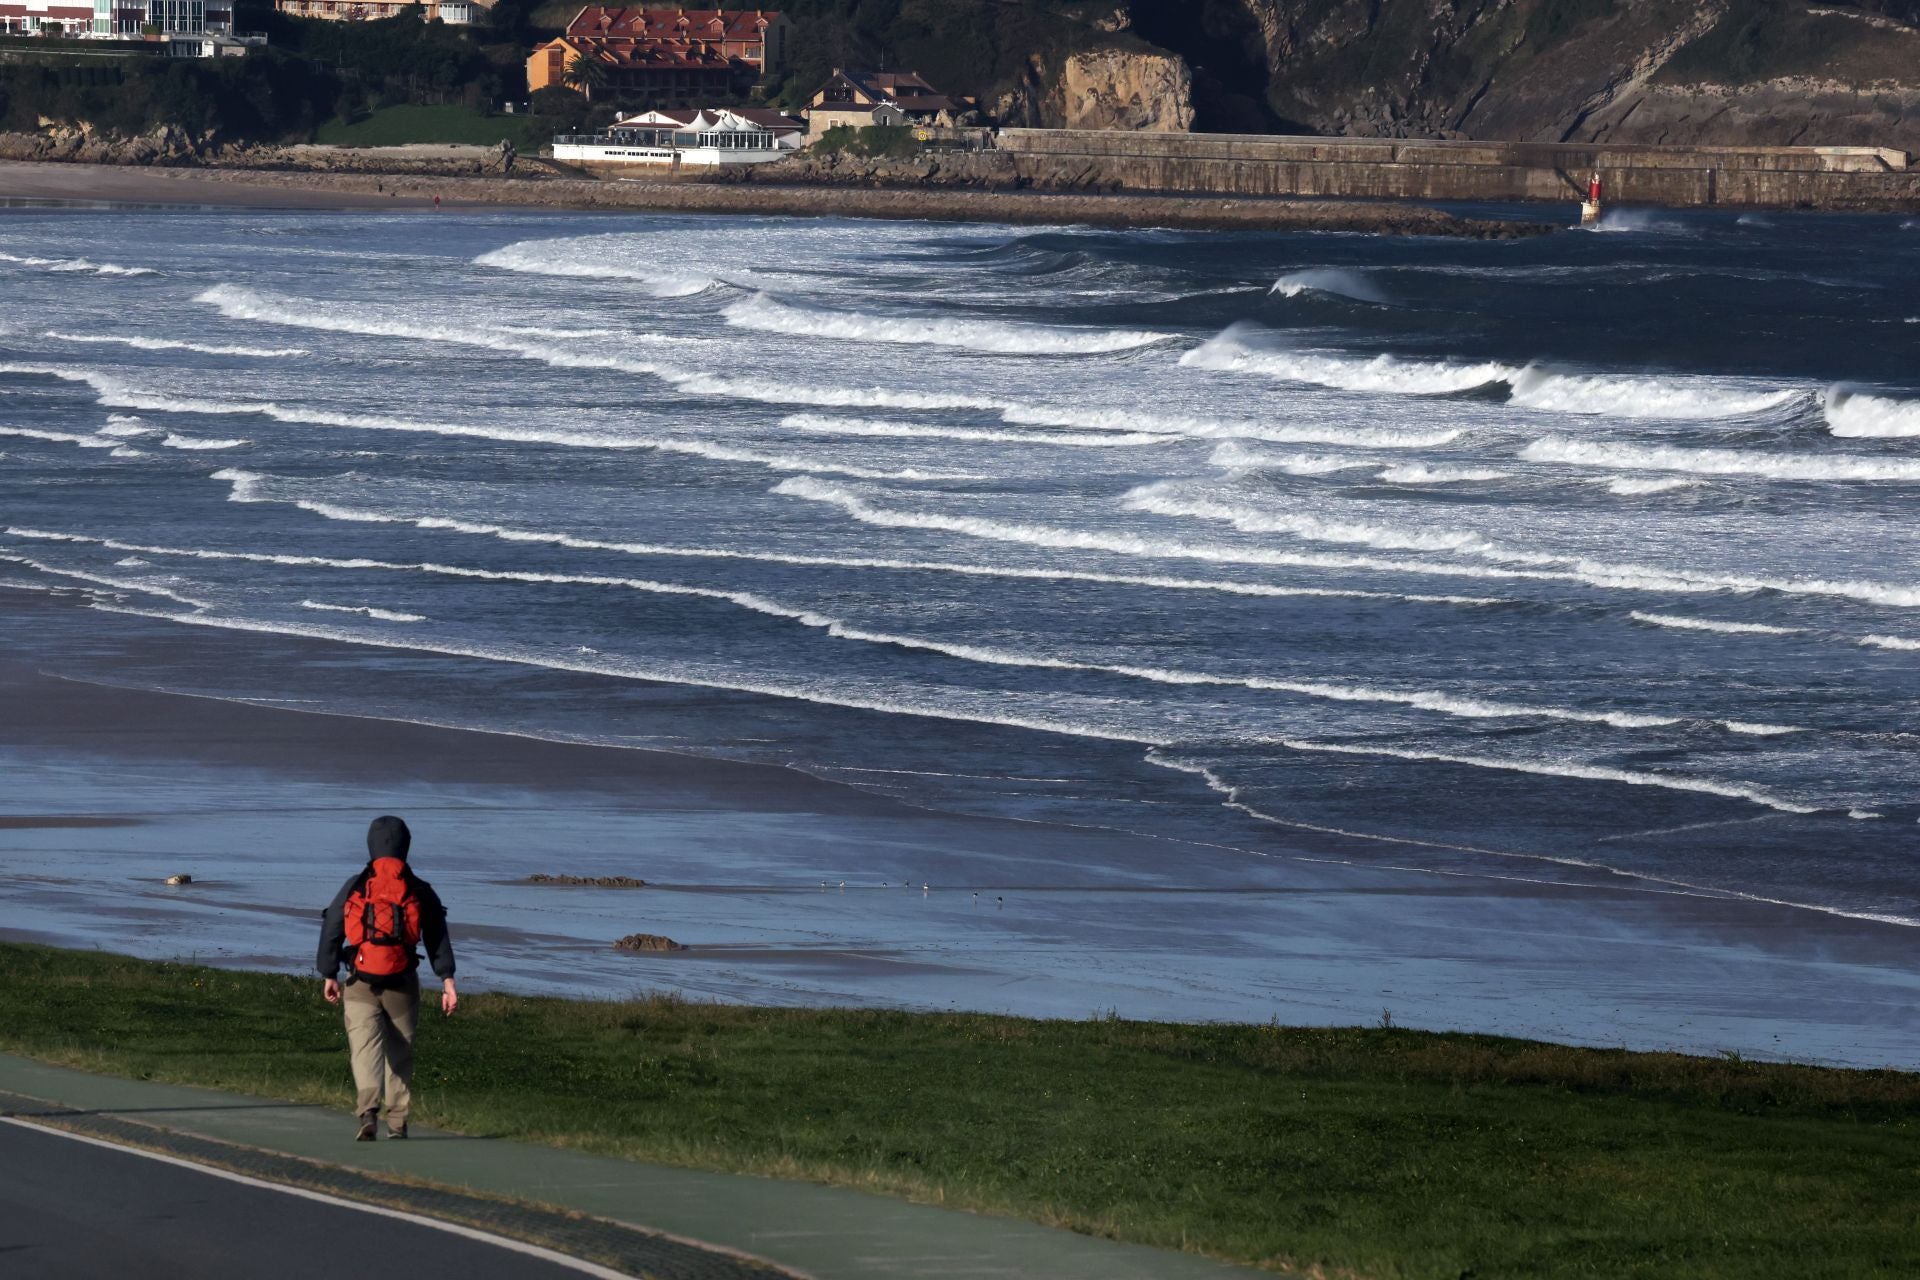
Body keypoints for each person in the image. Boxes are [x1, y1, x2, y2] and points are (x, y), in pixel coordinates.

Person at [316, 816, 457, 1141]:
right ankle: (397, 1122)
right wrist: (447, 979)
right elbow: (437, 936)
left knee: (365, 1049)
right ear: (406, 846)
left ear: (371, 845)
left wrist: (329, 974)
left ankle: (367, 1112)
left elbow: (332, 928)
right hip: (402, 981)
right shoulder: (420, 889)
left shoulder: (355, 884)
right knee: (400, 1052)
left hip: (360, 980)